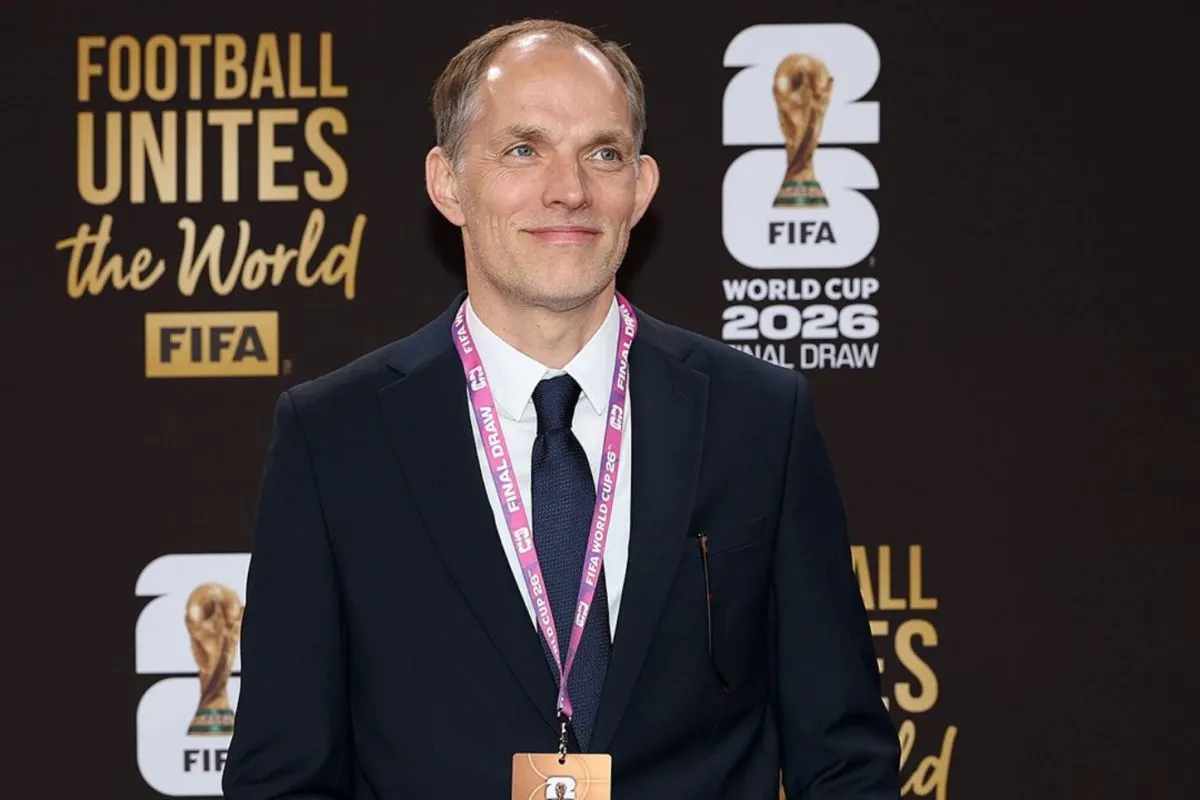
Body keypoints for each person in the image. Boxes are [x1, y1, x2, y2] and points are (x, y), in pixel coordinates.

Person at [221, 18, 899, 800]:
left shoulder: (759, 419)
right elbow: (283, 776)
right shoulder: (335, 439)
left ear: (641, 187)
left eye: (603, 153)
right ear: (447, 183)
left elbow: (844, 759)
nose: (569, 190)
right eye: (523, 149)